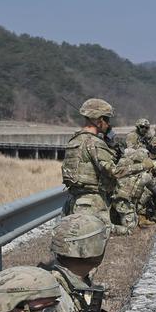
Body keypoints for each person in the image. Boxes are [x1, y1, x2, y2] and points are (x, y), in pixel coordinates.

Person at [61, 98, 137, 234]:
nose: (108, 124)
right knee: (113, 234)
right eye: (107, 120)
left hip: (73, 201)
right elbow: (115, 172)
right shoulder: (95, 142)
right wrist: (142, 165)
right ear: (99, 120)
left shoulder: (73, 140)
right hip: (93, 202)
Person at [110, 147, 155, 235]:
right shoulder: (145, 176)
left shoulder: (123, 171)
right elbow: (155, 188)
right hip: (123, 204)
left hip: (117, 201)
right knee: (130, 229)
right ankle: (110, 229)